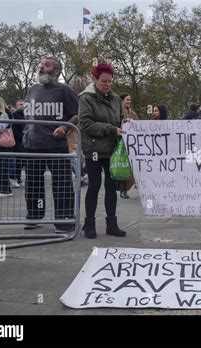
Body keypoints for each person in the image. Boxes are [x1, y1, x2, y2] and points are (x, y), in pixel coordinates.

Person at [23, 57, 77, 232]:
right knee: (32, 183)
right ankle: (34, 216)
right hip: (32, 145)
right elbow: (27, 114)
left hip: (56, 146)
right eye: (41, 64)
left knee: (61, 184)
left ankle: (65, 220)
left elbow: (77, 115)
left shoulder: (65, 90)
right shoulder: (32, 89)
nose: (41, 67)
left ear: (56, 71)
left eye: (46, 65)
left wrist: (64, 127)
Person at [79, 62, 127, 239]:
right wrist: (110, 129)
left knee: (111, 187)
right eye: (104, 81)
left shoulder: (115, 99)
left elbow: (121, 118)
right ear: (95, 79)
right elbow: (85, 123)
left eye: (110, 81)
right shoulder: (86, 98)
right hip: (93, 149)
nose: (107, 84)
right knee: (94, 185)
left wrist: (126, 126)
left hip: (112, 149)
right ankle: (89, 223)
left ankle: (112, 224)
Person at [117, 93, 138, 199]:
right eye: (127, 100)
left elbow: (138, 123)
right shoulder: (118, 111)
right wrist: (124, 121)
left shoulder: (132, 112)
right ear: (121, 101)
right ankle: (123, 189)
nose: (129, 102)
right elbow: (115, 123)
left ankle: (130, 186)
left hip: (131, 142)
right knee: (123, 166)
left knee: (130, 166)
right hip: (120, 141)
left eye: (130, 100)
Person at [8, 99, 26, 188]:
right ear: (17, 106)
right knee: (18, 160)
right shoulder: (15, 115)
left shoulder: (26, 115)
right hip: (18, 140)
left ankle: (18, 178)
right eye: (20, 104)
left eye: (23, 104)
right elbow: (14, 129)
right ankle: (12, 178)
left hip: (25, 140)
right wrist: (21, 137)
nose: (22, 106)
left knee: (22, 161)